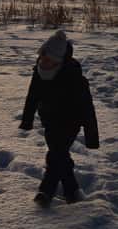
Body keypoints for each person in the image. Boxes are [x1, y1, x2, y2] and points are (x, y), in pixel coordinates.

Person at [19, 29, 99, 206]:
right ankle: (72, 191)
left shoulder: (74, 78)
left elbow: (87, 108)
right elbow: (32, 96)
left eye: (49, 60)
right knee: (59, 154)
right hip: (49, 120)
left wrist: (91, 137)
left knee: (57, 152)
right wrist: (27, 120)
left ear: (59, 61)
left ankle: (47, 191)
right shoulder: (39, 73)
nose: (44, 63)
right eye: (42, 58)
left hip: (71, 122)